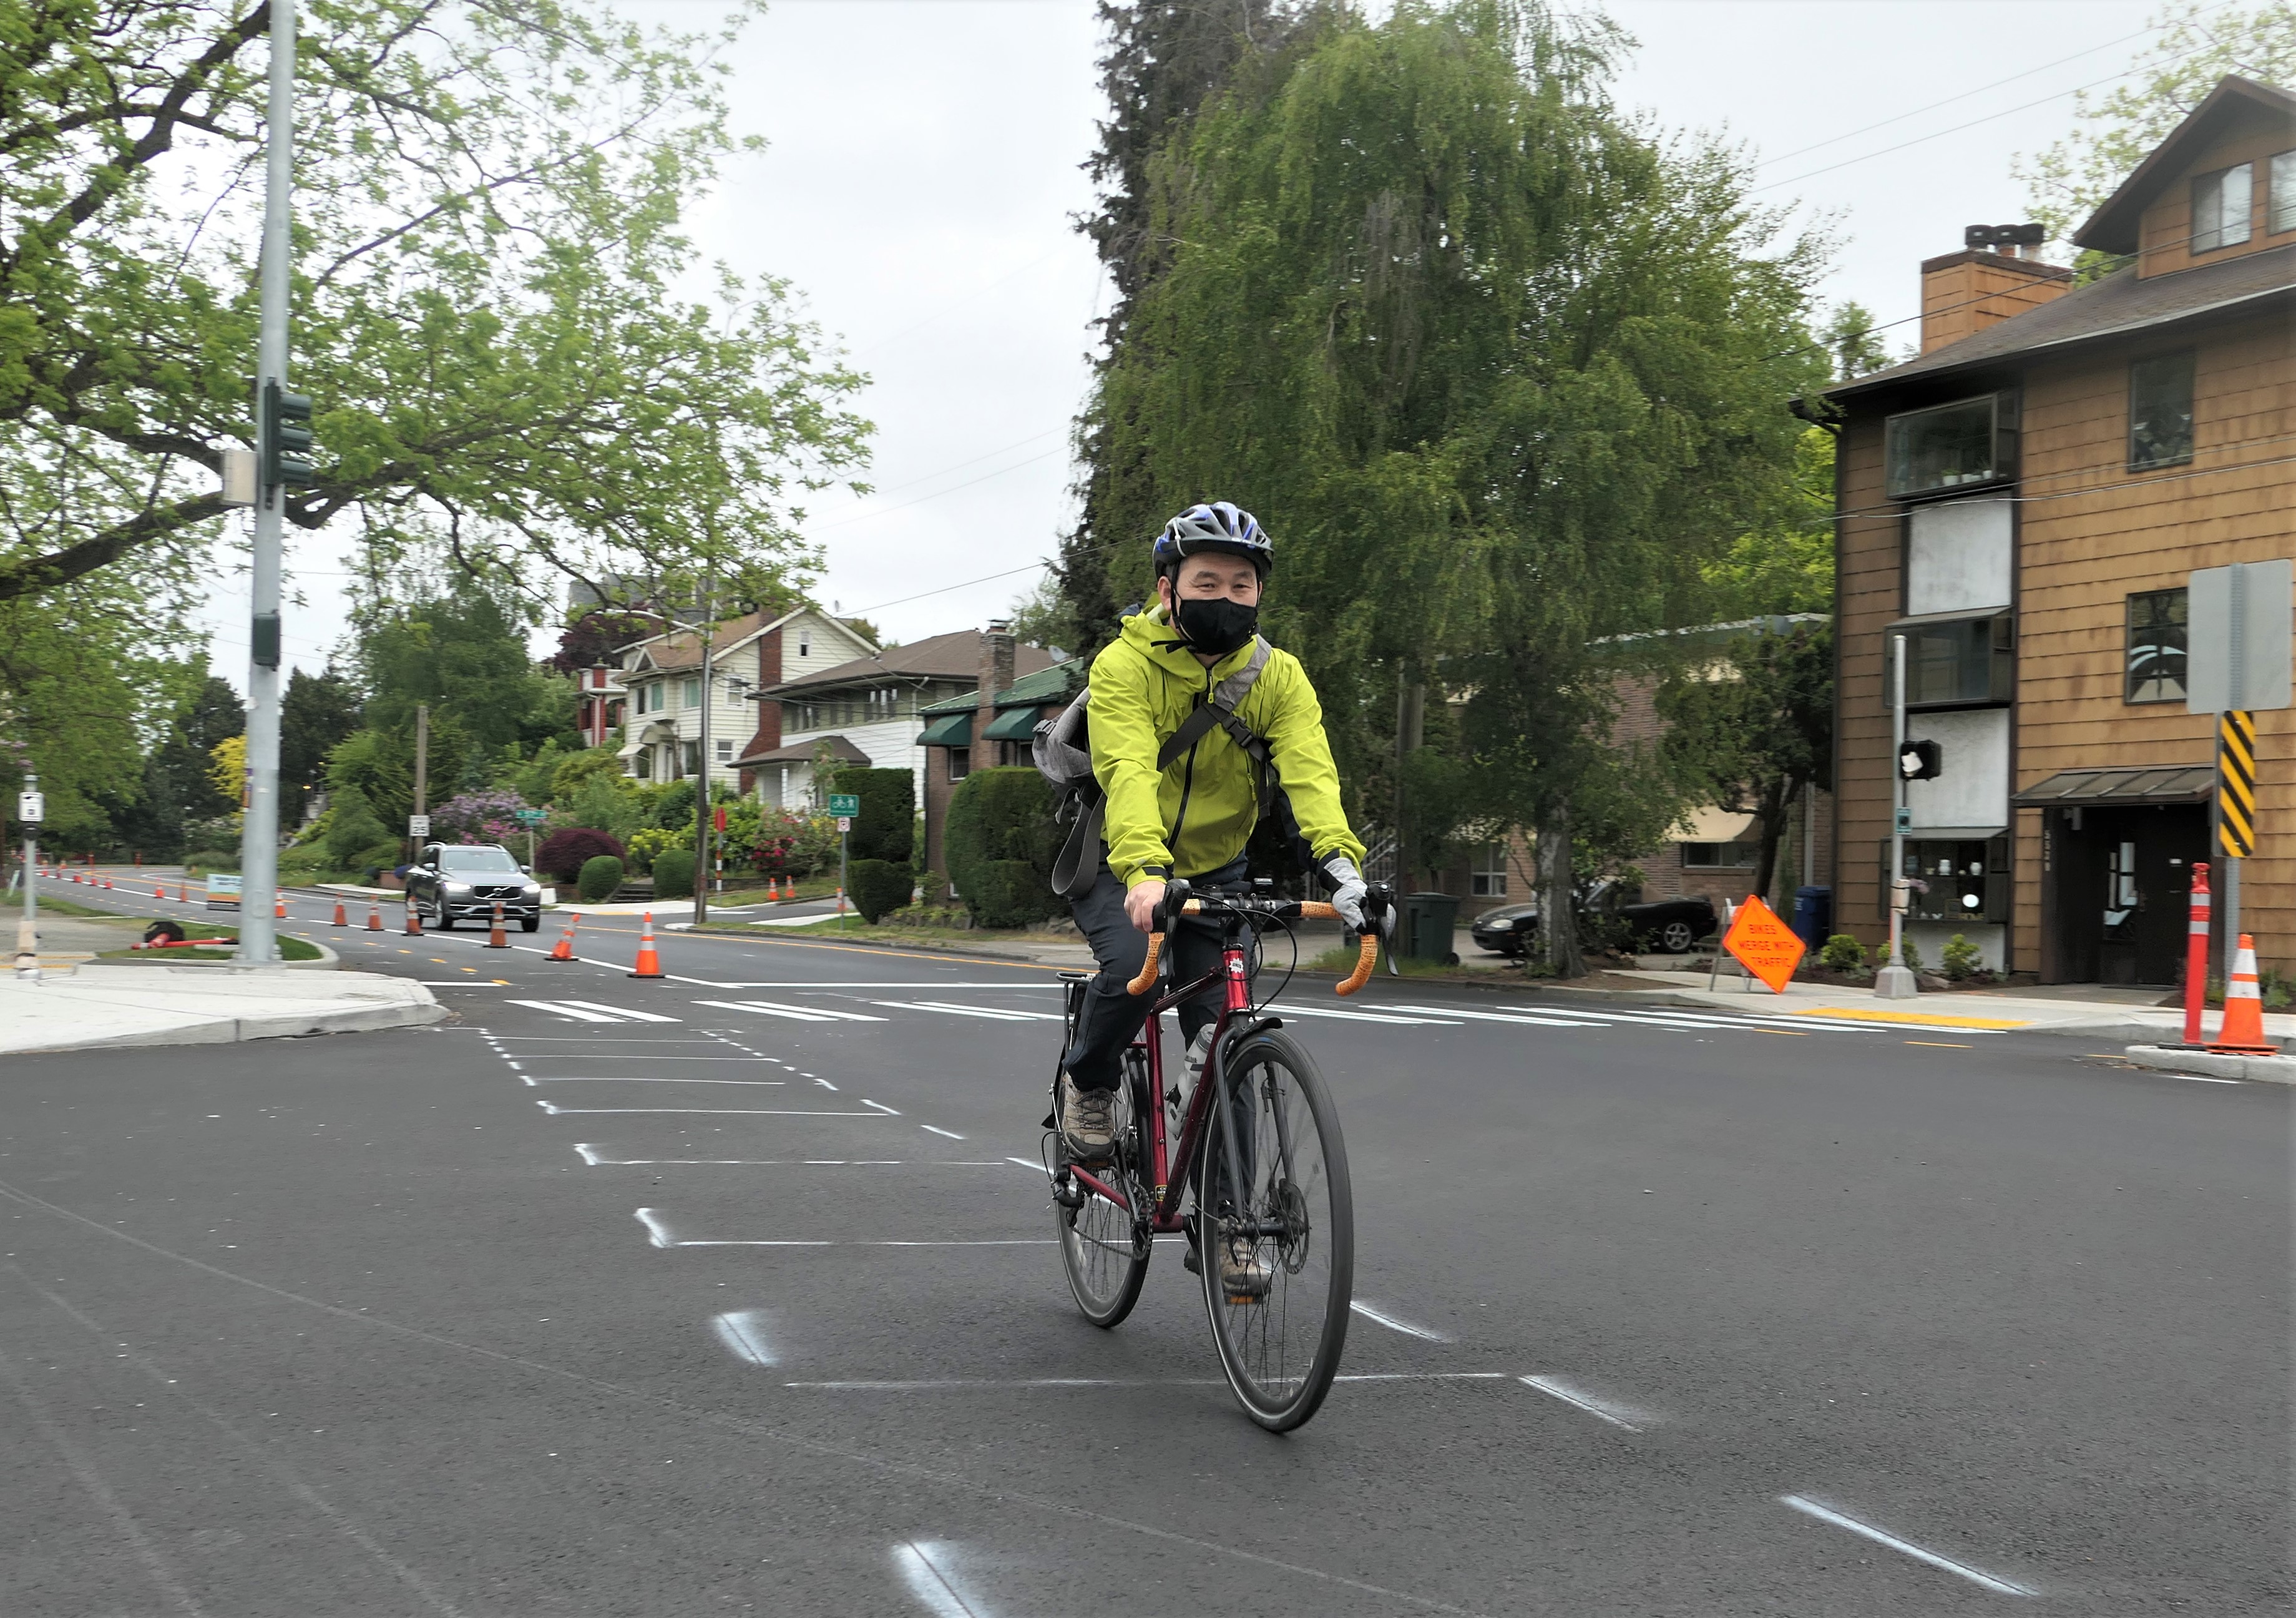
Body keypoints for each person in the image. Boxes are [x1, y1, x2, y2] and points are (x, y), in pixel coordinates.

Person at [1057, 501, 1369, 1295]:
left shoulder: (1276, 676)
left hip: (1219, 872)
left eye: (1242, 585)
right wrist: (1144, 873)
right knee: (1135, 967)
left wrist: (1344, 868)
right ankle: (1089, 1085)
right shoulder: (1122, 667)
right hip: (1121, 863)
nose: (1226, 597)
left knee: (1224, 1041)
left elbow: (1310, 774)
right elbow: (1127, 769)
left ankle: (1228, 1228)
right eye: (1208, 582)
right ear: (1167, 588)